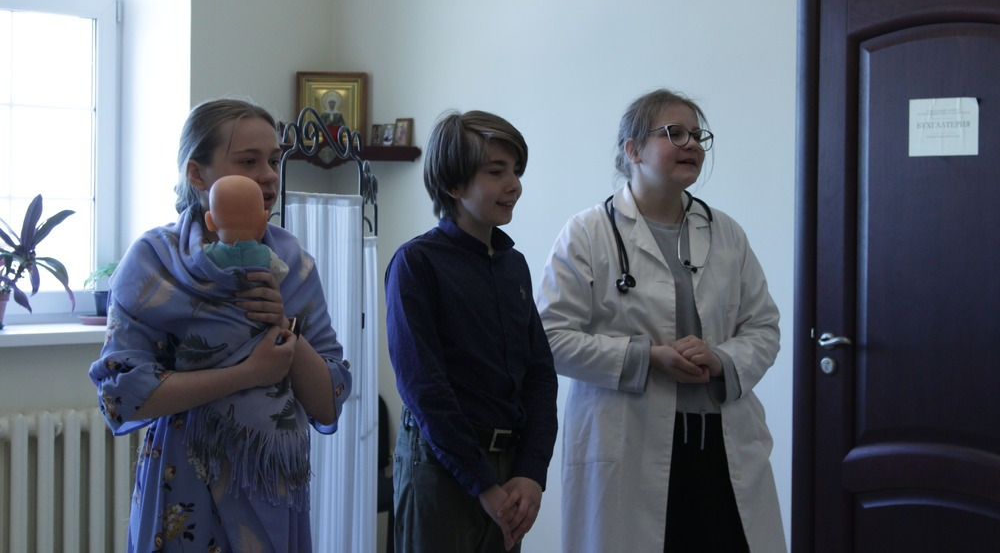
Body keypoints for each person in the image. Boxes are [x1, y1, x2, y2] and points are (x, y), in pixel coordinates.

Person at [89, 98, 352, 552]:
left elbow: (328, 404)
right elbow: (122, 396)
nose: (269, 176)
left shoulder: (293, 264)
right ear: (197, 174)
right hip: (187, 483)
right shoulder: (153, 262)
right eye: (249, 161)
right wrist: (248, 374)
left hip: (273, 485)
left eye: (274, 160)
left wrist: (282, 324)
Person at [536, 89, 785, 552]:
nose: (692, 145)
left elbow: (763, 327)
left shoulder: (726, 232)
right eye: (675, 133)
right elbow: (550, 338)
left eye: (697, 135)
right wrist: (647, 357)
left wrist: (720, 359)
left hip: (720, 447)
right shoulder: (587, 233)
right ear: (632, 150)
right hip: (629, 445)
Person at [385, 110, 558, 553]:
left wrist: (531, 472)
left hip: (510, 469)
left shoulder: (514, 265)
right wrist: (482, 483)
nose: (514, 184)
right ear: (454, 186)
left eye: (516, 171)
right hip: (441, 465)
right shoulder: (416, 263)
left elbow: (540, 374)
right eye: (496, 172)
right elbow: (424, 387)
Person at [203, 174, 288, 283]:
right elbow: (282, 274)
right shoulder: (268, 257)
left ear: (210, 221)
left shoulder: (205, 254)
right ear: (263, 222)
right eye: (248, 164)